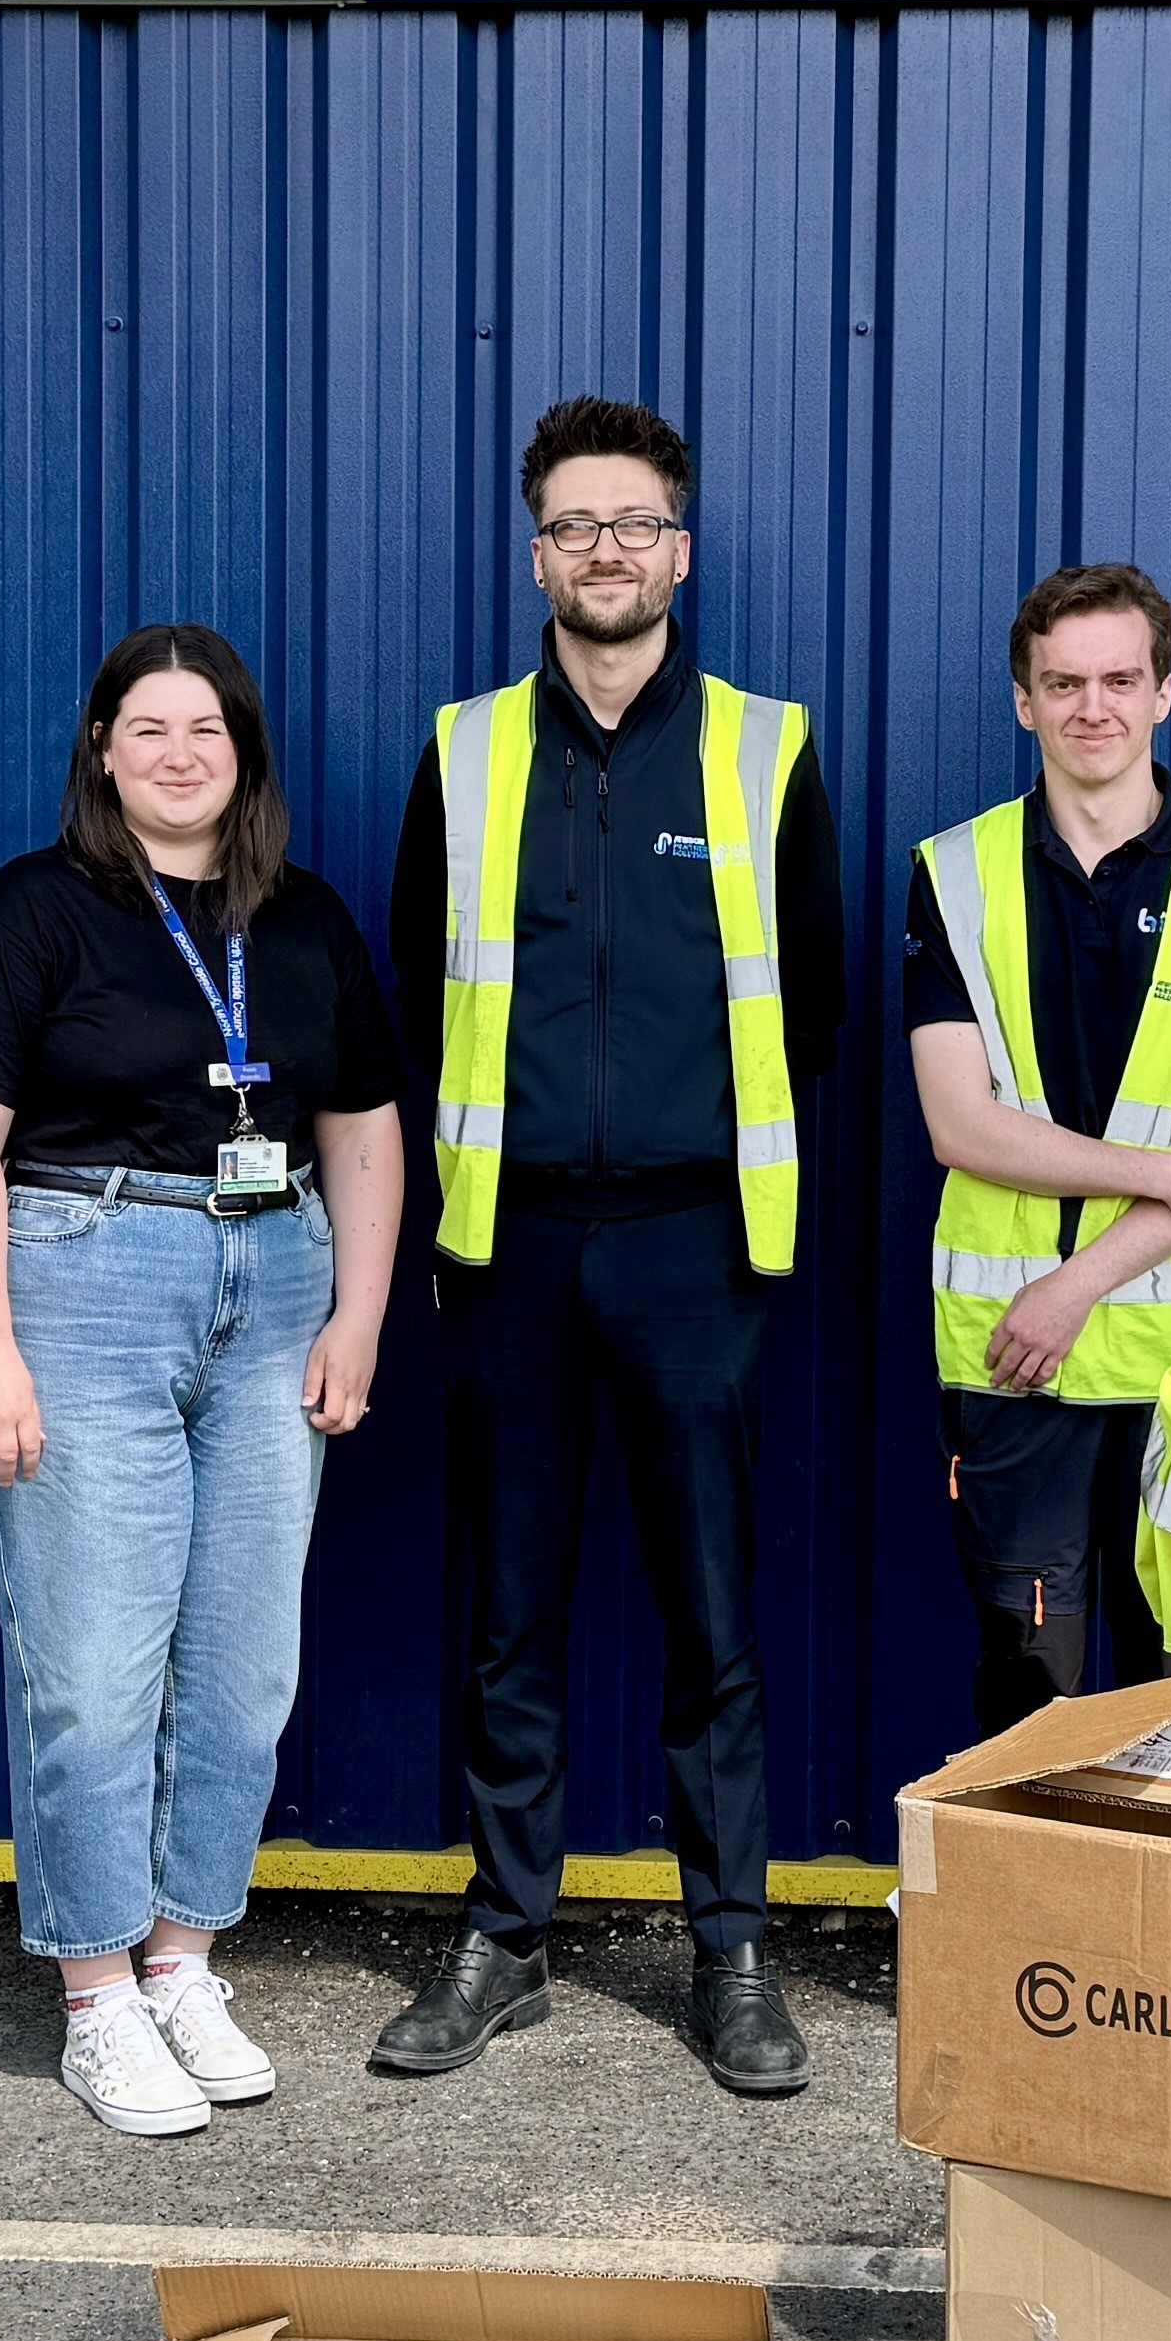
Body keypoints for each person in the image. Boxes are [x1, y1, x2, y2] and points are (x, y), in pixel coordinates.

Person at [369, 398, 847, 2098]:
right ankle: (505, 1936)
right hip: (507, 1254)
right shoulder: (467, 748)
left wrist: (736, 1214)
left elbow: (814, 1005)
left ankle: (731, 1950)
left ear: (682, 550)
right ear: (536, 552)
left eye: (634, 522)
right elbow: (427, 999)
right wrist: (447, 1230)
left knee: (710, 1609)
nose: (605, 551)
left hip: (691, 1249)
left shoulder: (761, 748)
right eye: (574, 524)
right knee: (511, 1607)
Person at [0, 625, 406, 2138]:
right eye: (148, 729)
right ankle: (95, 1994)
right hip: (87, 1285)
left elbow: (367, 1136)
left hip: (275, 1298)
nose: (179, 753)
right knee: (92, 1670)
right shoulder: (35, 912)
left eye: (207, 728)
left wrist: (360, 1318)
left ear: (244, 753)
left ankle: (186, 1958)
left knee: (246, 1669)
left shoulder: (305, 921)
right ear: (103, 753)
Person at [904, 561, 1171, 1729]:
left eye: (1121, 679)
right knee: (1031, 1681)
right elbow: (959, 1124)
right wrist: (1167, 1175)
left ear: (1163, 694)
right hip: (1013, 1363)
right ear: (1024, 702)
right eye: (1064, 682)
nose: (1095, 707)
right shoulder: (958, 872)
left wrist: (1075, 1287)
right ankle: (1040, 1919)